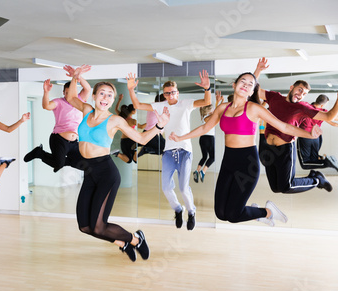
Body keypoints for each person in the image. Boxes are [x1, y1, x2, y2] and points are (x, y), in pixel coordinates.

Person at [169, 72, 322, 226]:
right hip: (228, 162)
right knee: (221, 213)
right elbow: (204, 127)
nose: (246, 85)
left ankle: (267, 212)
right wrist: (181, 138)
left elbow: (283, 126)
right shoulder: (223, 108)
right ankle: (256, 212)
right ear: (234, 85)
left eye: (250, 84)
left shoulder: (255, 109)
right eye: (243, 81)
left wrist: (309, 134)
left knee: (233, 214)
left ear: (251, 91)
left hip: (247, 164)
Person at [66, 65, 169, 262]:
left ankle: (136, 239)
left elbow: (141, 139)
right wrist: (75, 77)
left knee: (98, 226)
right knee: (85, 227)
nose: (105, 98)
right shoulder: (87, 110)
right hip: (89, 172)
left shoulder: (115, 120)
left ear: (113, 100)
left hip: (106, 173)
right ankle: (123, 244)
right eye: (102, 94)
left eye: (109, 96)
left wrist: (160, 125)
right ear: (94, 96)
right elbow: (71, 98)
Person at [127, 71, 212, 231]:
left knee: (183, 188)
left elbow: (206, 101)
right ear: (164, 95)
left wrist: (207, 88)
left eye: (173, 92)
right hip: (168, 153)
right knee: (166, 188)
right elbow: (138, 105)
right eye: (167, 93)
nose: (171, 95)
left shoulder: (186, 104)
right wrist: (131, 90)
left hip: (185, 151)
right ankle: (179, 210)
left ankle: (191, 212)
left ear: (177, 93)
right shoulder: (160, 106)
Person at [254, 57, 338, 193]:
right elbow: (254, 90)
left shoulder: (303, 108)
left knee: (287, 187)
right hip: (269, 149)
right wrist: (258, 70)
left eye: (304, 94)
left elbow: (328, 116)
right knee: (275, 188)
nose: (300, 95)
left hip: (285, 149)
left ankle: (317, 179)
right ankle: (315, 177)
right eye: (299, 90)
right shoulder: (274, 97)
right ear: (292, 87)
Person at [23, 65, 91, 172]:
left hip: (74, 142)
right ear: (64, 92)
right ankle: (40, 153)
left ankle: (59, 162)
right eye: (67, 93)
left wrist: (78, 76)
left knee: (84, 165)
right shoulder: (59, 102)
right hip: (59, 139)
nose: (69, 96)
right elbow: (46, 106)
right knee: (58, 163)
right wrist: (46, 92)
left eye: (71, 93)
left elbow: (87, 88)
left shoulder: (80, 100)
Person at [297, 94, 338, 172]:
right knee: (314, 159)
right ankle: (324, 164)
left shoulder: (306, 108)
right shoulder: (323, 113)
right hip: (316, 138)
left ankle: (328, 162)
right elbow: (335, 122)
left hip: (305, 137)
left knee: (305, 163)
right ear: (322, 105)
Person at [193, 90, 222, 183]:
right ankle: (203, 172)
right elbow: (217, 113)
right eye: (212, 109)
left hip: (202, 139)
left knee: (204, 157)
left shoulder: (204, 116)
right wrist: (218, 102)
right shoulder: (208, 117)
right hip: (209, 138)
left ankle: (197, 171)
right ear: (209, 110)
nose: (214, 110)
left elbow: (216, 113)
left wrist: (217, 102)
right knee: (212, 157)